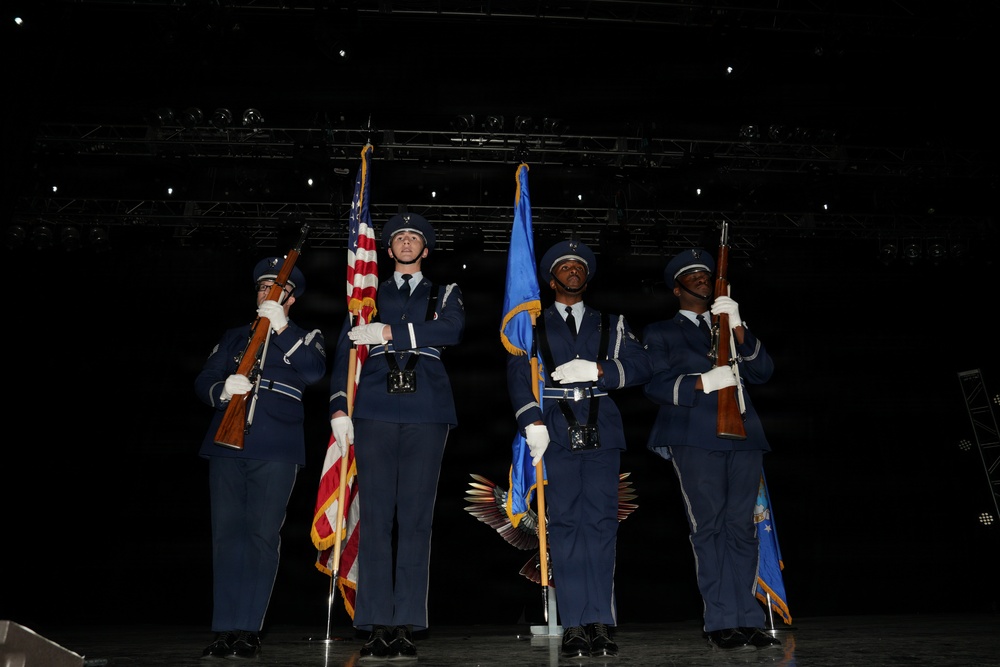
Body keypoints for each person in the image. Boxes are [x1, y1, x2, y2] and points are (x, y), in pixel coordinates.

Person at [329, 213, 465, 661]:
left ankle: (405, 622)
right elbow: (345, 349)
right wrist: (338, 407)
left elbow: (450, 330)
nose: (406, 243)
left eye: (414, 238)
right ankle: (374, 624)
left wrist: (390, 332)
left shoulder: (444, 293)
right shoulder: (366, 292)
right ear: (387, 251)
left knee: (415, 520)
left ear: (425, 250)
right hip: (374, 408)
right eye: (399, 238)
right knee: (376, 520)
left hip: (426, 409)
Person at [507, 239, 652, 659]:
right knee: (566, 528)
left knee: (602, 527)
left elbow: (643, 366)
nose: (573, 270)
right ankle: (573, 624)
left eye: (579, 266)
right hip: (553, 428)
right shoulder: (531, 325)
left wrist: (600, 369)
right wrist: (529, 420)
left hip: (601, 427)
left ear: (587, 276)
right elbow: (518, 373)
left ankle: (601, 622)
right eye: (564, 266)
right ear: (551, 280)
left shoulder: (612, 321)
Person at [642, 247, 781, 652]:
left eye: (706, 273)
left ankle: (748, 618)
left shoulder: (730, 325)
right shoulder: (660, 332)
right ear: (677, 288)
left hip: (744, 436)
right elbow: (652, 384)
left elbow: (763, 370)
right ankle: (720, 620)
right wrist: (701, 382)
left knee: (743, 528)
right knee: (710, 528)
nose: (702, 278)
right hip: (694, 435)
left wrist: (738, 325)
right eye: (693, 275)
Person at [194, 257, 327, 660]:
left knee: (261, 539)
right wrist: (221, 389)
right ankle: (224, 629)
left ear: (291, 298)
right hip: (226, 445)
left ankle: (248, 629)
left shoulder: (306, 336)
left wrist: (282, 328)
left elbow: (314, 371)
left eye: (277, 287)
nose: (267, 292)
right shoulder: (235, 336)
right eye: (261, 287)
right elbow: (203, 379)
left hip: (276, 448)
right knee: (226, 539)